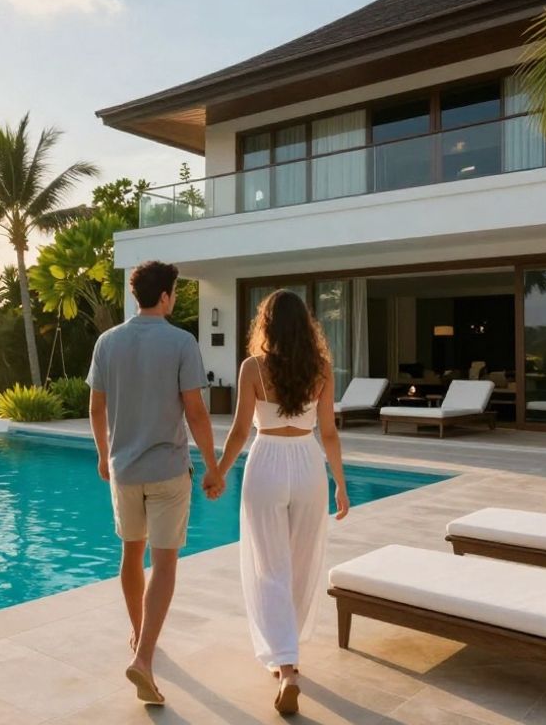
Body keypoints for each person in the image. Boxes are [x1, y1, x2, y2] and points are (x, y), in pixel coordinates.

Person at [205, 289, 349, 716]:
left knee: (270, 568)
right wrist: (341, 484)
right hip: (307, 465)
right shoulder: (321, 368)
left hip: (266, 462)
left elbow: (238, 432)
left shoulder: (253, 367)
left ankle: (285, 664)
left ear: (265, 325)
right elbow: (329, 433)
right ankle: (290, 655)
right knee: (302, 564)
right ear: (306, 325)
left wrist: (219, 472)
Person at [87, 260, 219, 706]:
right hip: (167, 471)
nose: (175, 298)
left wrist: (104, 456)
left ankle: (138, 635)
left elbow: (95, 408)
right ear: (165, 296)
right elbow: (196, 412)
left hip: (124, 471)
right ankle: (144, 656)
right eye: (175, 292)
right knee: (164, 565)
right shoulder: (181, 341)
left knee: (131, 552)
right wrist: (214, 466)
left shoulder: (108, 343)